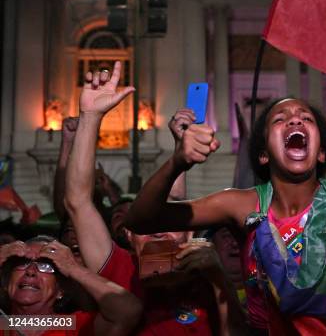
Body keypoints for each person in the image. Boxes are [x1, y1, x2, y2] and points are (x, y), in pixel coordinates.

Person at [124, 62, 326, 335]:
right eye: (280, 119)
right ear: (264, 155)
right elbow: (142, 219)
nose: (295, 119)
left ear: (321, 151)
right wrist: (176, 162)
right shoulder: (243, 204)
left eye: (306, 118)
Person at [64, 62, 245, 335]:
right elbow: (77, 201)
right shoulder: (120, 271)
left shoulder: (206, 280)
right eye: (148, 227)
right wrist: (90, 117)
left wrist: (219, 280)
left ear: (190, 235)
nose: (158, 232)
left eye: (168, 224)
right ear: (129, 235)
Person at [0, 235, 142, 335]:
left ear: (61, 290)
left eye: (45, 265)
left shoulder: (71, 326)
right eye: (22, 263)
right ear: (6, 283)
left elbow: (128, 311)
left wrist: (73, 268)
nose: (31, 271)